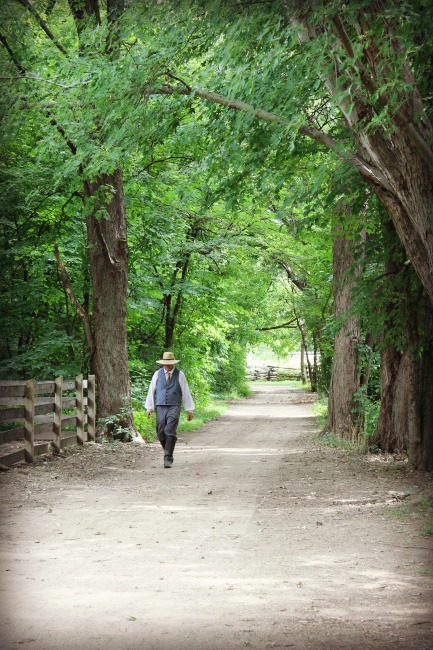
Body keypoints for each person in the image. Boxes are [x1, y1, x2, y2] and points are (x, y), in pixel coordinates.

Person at [145, 351, 195, 468]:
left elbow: (185, 391)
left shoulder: (180, 374)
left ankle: (168, 457)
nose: (167, 366)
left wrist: (189, 409)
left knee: (170, 430)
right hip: (160, 406)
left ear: (173, 363)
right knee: (161, 432)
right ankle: (168, 448)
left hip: (174, 406)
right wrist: (149, 407)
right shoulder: (157, 374)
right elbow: (151, 390)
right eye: (165, 363)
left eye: (169, 363)